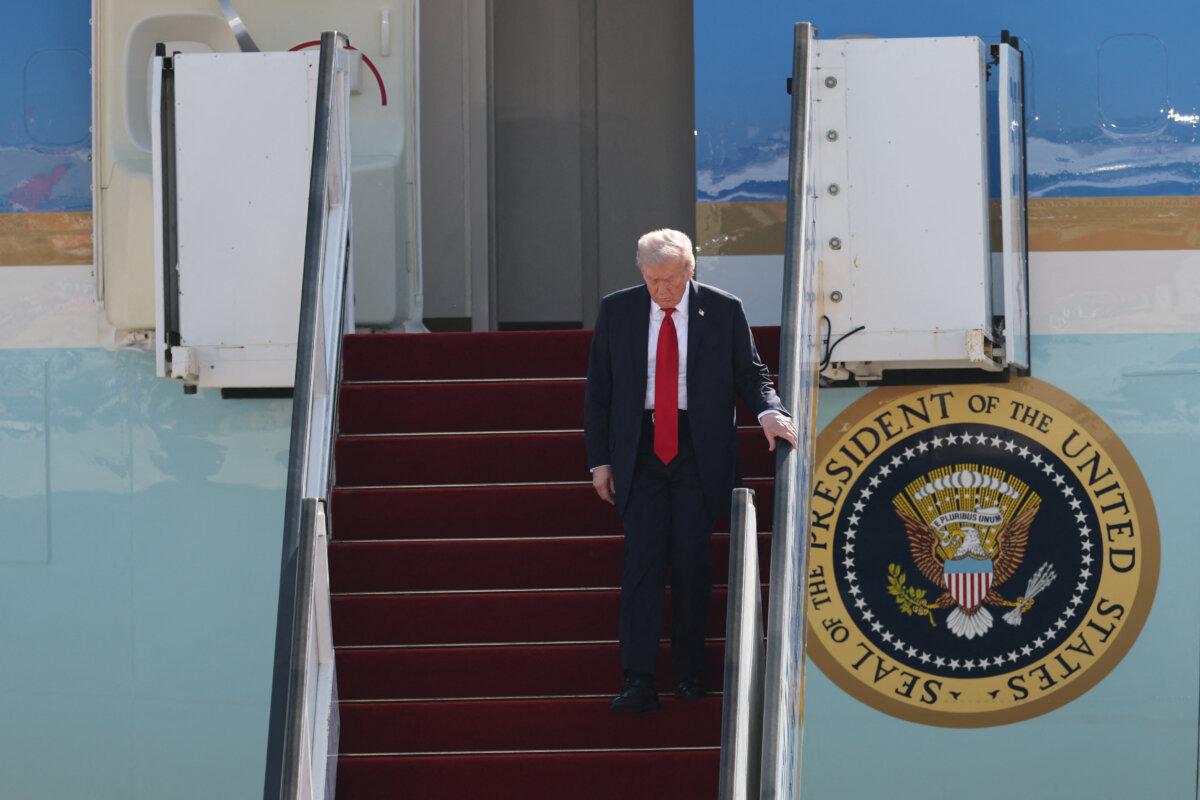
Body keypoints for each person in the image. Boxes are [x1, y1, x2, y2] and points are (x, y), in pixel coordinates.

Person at [584, 228, 797, 714]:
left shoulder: (723, 309)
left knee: (692, 562)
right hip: (639, 449)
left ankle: (688, 674)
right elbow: (599, 390)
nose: (663, 289)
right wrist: (600, 460)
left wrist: (769, 411)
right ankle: (637, 679)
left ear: (691, 269)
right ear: (641, 271)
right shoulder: (617, 311)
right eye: (653, 278)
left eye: (672, 278)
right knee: (642, 565)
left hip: (698, 450)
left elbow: (751, 372)